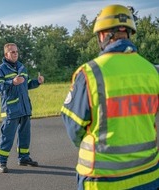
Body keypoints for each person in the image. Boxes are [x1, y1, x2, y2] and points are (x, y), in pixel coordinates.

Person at [61, 4, 159, 190]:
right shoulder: (153, 71)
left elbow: (74, 128)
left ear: (102, 35)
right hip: (149, 175)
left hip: (103, 179)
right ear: (129, 33)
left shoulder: (90, 73)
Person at [0, 43, 44, 173]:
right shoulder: (1, 69)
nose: (15, 53)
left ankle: (24, 158)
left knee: (25, 135)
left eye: (16, 51)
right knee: (7, 137)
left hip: (25, 108)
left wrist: (37, 82)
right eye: (12, 52)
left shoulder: (22, 67)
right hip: (11, 109)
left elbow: (26, 85)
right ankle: (1, 162)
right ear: (6, 55)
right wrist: (12, 82)